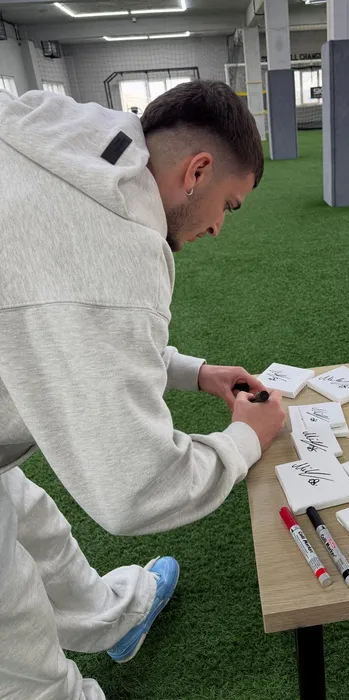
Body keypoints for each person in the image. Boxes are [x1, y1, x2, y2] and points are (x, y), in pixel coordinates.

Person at [0, 80, 286, 700]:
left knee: (32, 523)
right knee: (12, 633)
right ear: (197, 171)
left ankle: (112, 618)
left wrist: (195, 371)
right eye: (229, 206)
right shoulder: (121, 247)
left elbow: (75, 330)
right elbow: (134, 487)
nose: (218, 228)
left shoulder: (59, 133)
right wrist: (246, 440)